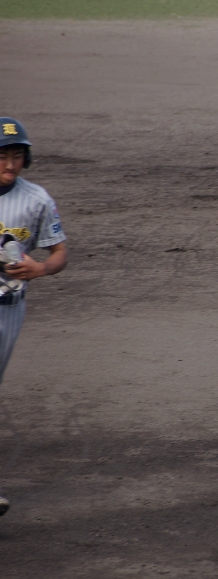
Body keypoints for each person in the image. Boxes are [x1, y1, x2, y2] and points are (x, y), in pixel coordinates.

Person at [0, 118, 69, 515]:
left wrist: (39, 269)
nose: (10, 164)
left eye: (16, 155)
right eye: (2, 156)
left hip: (8, 310)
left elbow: (59, 253)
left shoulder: (36, 199)